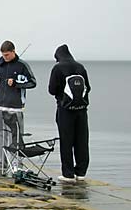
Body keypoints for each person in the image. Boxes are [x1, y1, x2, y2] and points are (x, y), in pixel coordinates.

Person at [0, 40, 37, 171]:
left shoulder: (22, 65)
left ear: (13, 52)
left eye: (7, 55)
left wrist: (17, 83)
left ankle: (17, 164)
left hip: (15, 107)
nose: (5, 57)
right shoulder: (0, 62)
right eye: (3, 55)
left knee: (16, 136)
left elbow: (32, 82)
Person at [48, 44, 91, 183]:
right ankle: (81, 173)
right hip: (81, 111)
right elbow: (88, 88)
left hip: (65, 110)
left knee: (66, 141)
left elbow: (52, 89)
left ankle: (68, 174)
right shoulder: (80, 67)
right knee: (82, 140)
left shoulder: (58, 68)